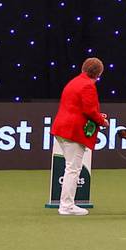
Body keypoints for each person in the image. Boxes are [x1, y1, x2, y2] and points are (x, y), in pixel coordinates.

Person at [52, 57, 109, 216]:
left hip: (62, 128)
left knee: (70, 167)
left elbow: (79, 107)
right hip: (72, 131)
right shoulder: (88, 86)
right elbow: (89, 111)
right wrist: (102, 121)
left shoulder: (74, 81)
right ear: (98, 73)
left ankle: (67, 204)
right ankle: (67, 206)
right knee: (73, 169)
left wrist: (98, 116)